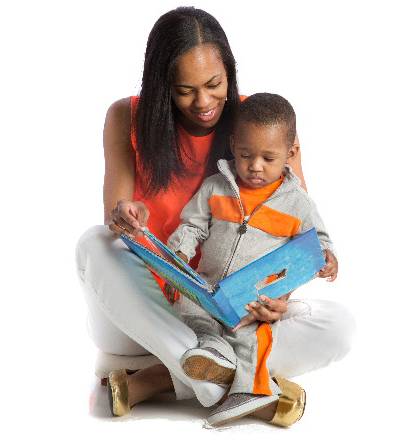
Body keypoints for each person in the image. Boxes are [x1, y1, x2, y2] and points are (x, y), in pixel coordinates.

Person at [75, 6, 355, 426]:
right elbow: (117, 223)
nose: (203, 103)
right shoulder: (124, 117)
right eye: (184, 90)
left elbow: (298, 239)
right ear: (160, 85)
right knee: (94, 243)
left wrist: (280, 298)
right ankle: (227, 382)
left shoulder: (264, 127)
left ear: (230, 72)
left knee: (340, 327)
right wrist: (128, 215)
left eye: (214, 84)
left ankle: (160, 378)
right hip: (146, 313)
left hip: (234, 316)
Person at [164, 92, 338, 426]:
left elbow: (318, 241)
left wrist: (327, 258)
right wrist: (182, 251)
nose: (255, 166)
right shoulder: (216, 187)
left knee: (252, 337)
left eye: (268, 159)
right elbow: (192, 225)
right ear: (232, 145)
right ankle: (213, 353)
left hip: (254, 301)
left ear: (290, 154)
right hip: (208, 290)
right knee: (188, 313)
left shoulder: (297, 203)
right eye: (245, 155)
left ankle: (248, 391)